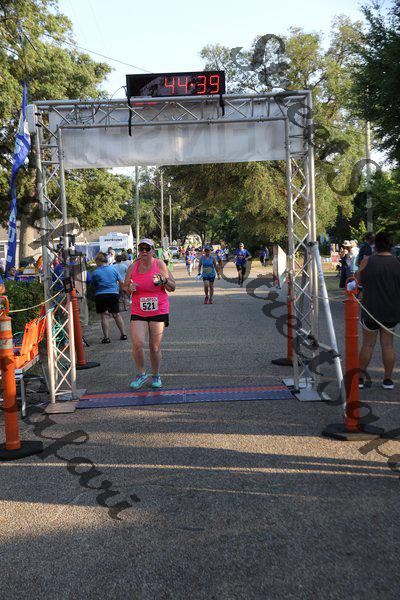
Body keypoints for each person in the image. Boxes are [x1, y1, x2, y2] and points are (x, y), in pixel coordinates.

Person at [123, 238, 176, 389]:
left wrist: (164, 280)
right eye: (142, 249)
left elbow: (173, 287)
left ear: (153, 250)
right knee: (138, 343)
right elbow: (125, 287)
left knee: (154, 346)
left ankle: (156, 375)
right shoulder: (133, 267)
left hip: (158, 309)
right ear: (138, 251)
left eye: (147, 249)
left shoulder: (160, 264)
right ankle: (141, 374)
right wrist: (129, 288)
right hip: (139, 310)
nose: (144, 251)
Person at [357, 232, 400, 390]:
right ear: (391, 245)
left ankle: (360, 379)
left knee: (367, 345)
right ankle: (387, 380)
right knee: (387, 345)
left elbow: (357, 282)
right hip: (391, 311)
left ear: (375, 245)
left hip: (370, 309)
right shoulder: (397, 263)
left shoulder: (367, 261)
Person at [91, 252, 127, 344]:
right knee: (116, 314)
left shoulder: (95, 272)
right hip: (113, 294)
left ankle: (106, 338)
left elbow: (93, 285)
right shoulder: (113, 269)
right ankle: (123, 334)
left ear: (98, 261)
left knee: (104, 316)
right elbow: (121, 281)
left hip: (100, 295)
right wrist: (121, 291)